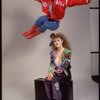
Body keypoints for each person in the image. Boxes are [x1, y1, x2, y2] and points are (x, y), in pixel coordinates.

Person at [23, 0, 91, 39]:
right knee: (40, 19)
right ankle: (31, 31)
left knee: (45, 24)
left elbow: (75, 2)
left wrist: (86, 1)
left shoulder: (64, 1)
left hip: (55, 23)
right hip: (48, 17)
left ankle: (35, 34)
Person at [44, 33, 72, 100]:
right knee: (47, 80)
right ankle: (50, 98)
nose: (56, 42)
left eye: (58, 40)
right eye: (55, 41)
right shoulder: (52, 52)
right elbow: (52, 64)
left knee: (54, 80)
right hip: (55, 74)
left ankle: (57, 98)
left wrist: (53, 74)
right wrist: (50, 72)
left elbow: (64, 66)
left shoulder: (67, 52)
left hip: (64, 74)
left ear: (62, 41)